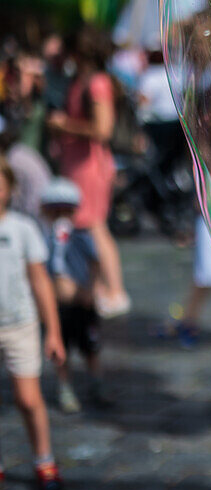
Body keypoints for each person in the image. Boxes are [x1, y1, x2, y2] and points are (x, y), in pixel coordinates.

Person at [47, 28, 128, 316]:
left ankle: (116, 290)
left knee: (95, 226)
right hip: (77, 164)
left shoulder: (96, 83)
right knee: (85, 226)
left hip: (90, 166)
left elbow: (102, 129)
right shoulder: (80, 81)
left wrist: (63, 125)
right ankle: (98, 289)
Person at [0, 156, 65, 490]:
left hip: (20, 326)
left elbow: (41, 282)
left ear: (10, 186)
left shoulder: (22, 228)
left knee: (28, 399)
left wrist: (52, 331)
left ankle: (45, 459)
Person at [39, 177, 110, 413]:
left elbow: (95, 262)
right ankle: (65, 387)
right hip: (58, 307)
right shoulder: (43, 239)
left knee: (91, 346)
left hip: (82, 303)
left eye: (66, 210)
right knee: (61, 350)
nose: (61, 216)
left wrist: (91, 288)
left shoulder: (81, 236)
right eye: (55, 210)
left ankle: (97, 384)